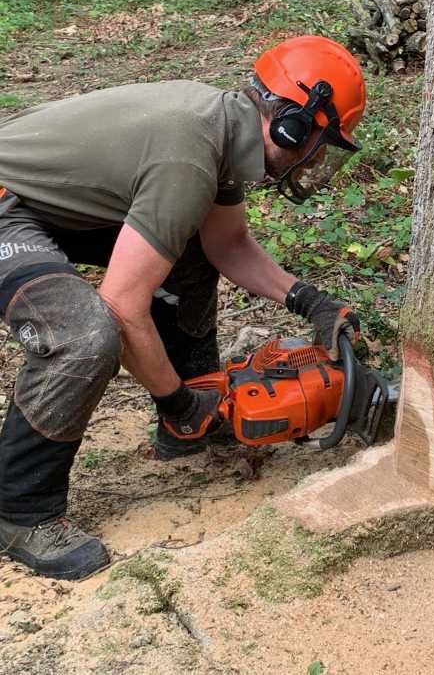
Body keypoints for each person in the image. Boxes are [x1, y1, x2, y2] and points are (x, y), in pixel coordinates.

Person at [0, 35, 366, 580]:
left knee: (191, 253)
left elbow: (228, 246)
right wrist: (175, 400)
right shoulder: (191, 156)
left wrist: (311, 302)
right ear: (292, 124)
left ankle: (193, 424)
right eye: (319, 141)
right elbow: (123, 306)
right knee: (86, 333)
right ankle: (19, 511)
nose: (316, 158)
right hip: (9, 204)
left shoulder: (220, 133)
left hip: (51, 206)